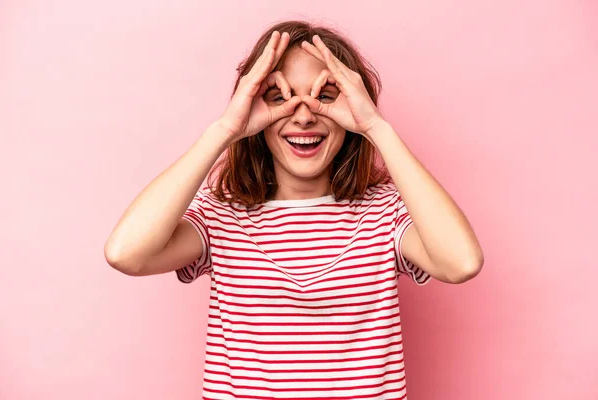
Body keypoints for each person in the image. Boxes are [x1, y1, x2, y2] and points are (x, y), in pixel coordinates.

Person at [105, 20, 484, 400]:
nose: (303, 116)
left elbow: (461, 263)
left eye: (327, 95)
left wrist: (375, 126)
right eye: (279, 98)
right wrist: (225, 129)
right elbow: (126, 254)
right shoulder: (220, 215)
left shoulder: (386, 212)